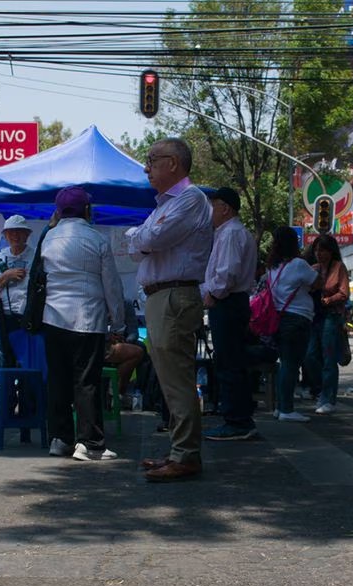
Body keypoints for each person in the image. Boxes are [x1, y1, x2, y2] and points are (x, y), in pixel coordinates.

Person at [126, 137, 213, 482]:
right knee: (170, 378)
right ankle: (180, 450)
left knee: (177, 380)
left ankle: (186, 455)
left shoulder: (190, 199)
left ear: (173, 163)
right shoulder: (166, 204)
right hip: (163, 296)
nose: (146, 168)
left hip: (174, 296)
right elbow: (138, 245)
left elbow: (146, 241)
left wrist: (142, 236)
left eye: (152, 160)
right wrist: (142, 237)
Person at [38, 187, 126, 460]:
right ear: (87, 209)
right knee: (86, 381)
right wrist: (119, 325)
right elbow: (111, 285)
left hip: (53, 319)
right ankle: (90, 443)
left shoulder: (48, 238)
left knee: (58, 379)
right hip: (87, 319)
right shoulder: (96, 239)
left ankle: (60, 439)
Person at [198, 186, 258, 441]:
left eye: (213, 206)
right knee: (232, 360)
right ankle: (238, 416)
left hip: (228, 302)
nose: (210, 212)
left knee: (228, 361)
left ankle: (236, 420)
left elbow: (227, 271)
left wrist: (214, 294)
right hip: (232, 301)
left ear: (225, 208)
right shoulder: (230, 232)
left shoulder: (231, 233)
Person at [265, 227, 319, 422]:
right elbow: (317, 283)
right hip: (297, 318)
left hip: (279, 318)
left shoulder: (272, 266)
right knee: (291, 364)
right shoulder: (298, 264)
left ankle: (281, 407)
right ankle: (287, 408)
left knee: (285, 363)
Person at [0, 215, 41, 369]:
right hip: (1, 317)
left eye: (19, 232)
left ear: (27, 235)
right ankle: (5, 392)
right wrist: (5, 276)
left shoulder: (36, 257)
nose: (15, 236)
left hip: (26, 317)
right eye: (11, 232)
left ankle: (26, 393)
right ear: (5, 236)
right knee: (4, 360)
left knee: (27, 360)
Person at [305, 234, 350, 415]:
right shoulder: (313, 269)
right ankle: (318, 389)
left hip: (331, 316)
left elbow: (344, 293)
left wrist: (328, 300)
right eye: (316, 250)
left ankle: (328, 397)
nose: (319, 253)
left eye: (322, 250)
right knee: (310, 356)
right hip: (314, 316)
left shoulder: (339, 267)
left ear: (331, 251)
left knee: (329, 358)